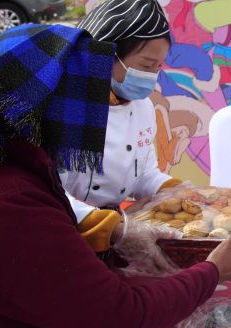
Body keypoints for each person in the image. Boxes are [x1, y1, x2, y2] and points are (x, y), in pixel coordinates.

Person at [0, 22, 231, 328]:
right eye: (82, 99)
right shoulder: (1, 204)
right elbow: (122, 317)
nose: (93, 117)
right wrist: (212, 272)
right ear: (39, 105)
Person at [62, 0, 185, 270]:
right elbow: (48, 194)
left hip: (117, 237)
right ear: (105, 54)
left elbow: (144, 172)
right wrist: (112, 228)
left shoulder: (142, 107)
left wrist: (176, 191)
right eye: (146, 64)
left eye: (158, 67)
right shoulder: (63, 109)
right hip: (64, 237)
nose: (152, 76)